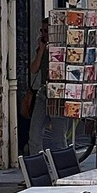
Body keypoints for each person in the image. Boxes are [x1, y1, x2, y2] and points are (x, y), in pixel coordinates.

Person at [28, 18, 69, 154]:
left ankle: (62, 168)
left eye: (46, 30)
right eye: (42, 30)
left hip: (58, 95)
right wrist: (41, 50)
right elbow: (34, 69)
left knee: (58, 138)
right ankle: (36, 166)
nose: (43, 34)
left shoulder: (64, 49)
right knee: (34, 135)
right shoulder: (43, 48)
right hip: (43, 92)